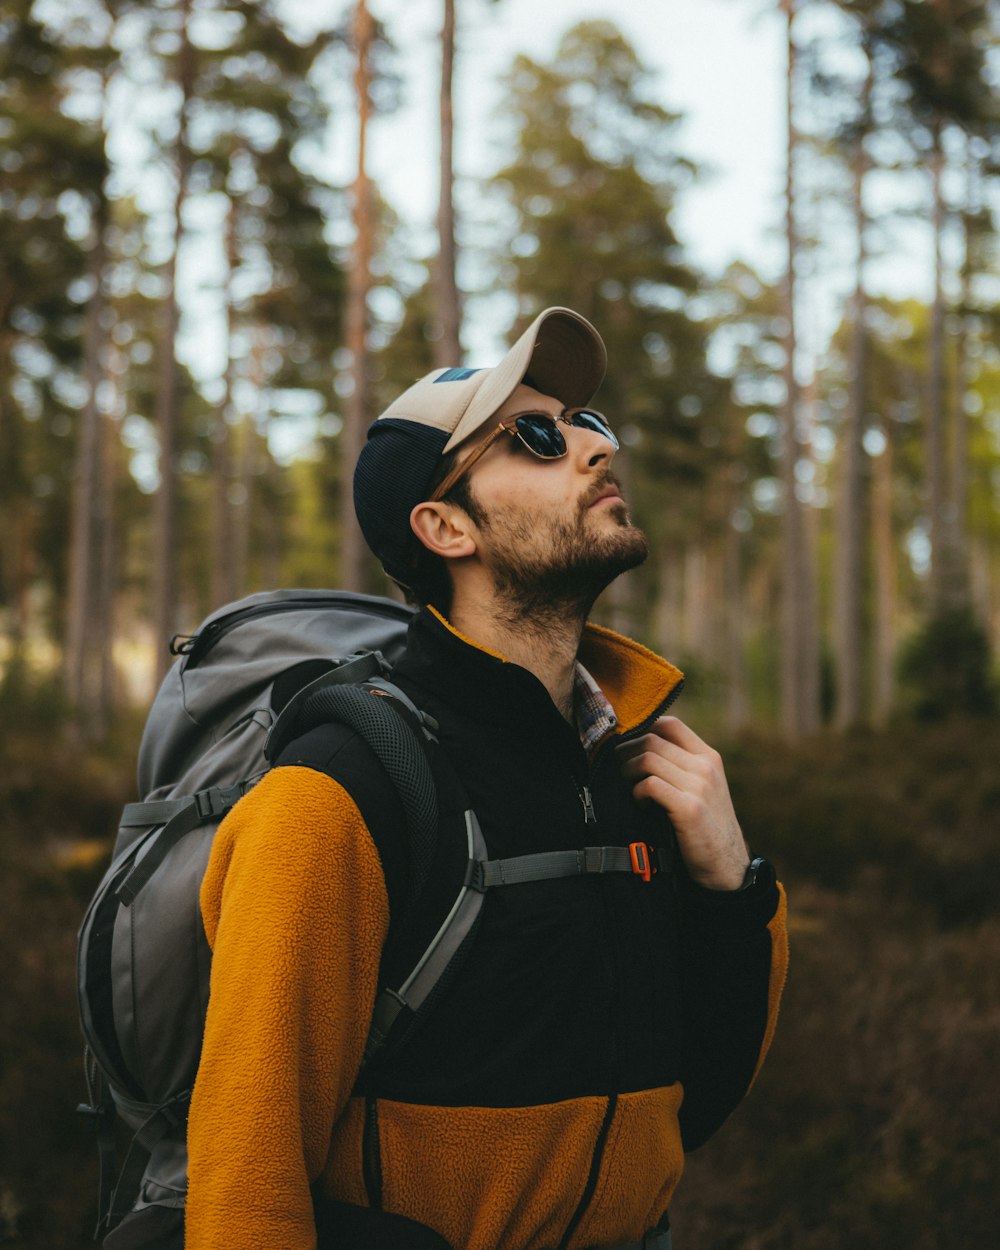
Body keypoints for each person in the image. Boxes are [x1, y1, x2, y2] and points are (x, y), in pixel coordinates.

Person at [185, 307, 789, 1250]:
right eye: (537, 437)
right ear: (445, 526)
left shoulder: (634, 767)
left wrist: (732, 889)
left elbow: (691, 1096)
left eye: (590, 428)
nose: (591, 450)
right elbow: (245, 1186)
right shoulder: (334, 796)